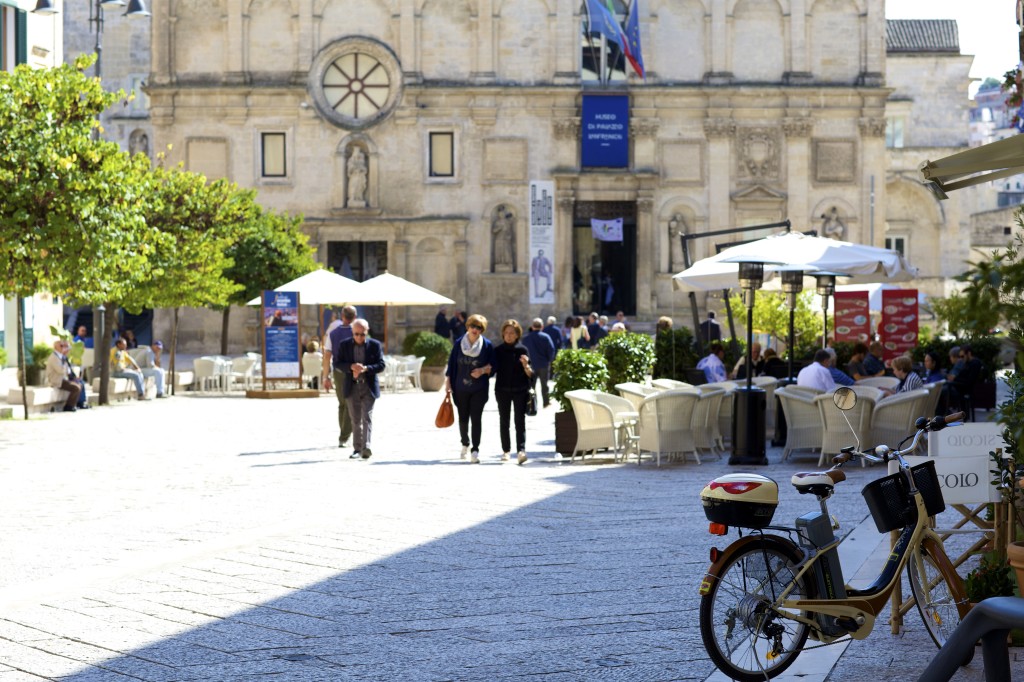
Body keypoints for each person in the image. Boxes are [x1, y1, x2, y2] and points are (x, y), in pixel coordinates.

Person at [445, 314, 495, 464]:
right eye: (473, 326)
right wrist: (448, 385)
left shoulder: (487, 345)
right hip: (460, 387)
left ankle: (475, 450)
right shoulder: (459, 343)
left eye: (479, 327)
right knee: (463, 418)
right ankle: (465, 443)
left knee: (476, 418)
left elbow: (493, 365)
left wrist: (482, 371)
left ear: (482, 330)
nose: (475, 329)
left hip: (479, 388)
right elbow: (452, 365)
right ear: (468, 327)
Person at [334, 318, 385, 460]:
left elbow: (381, 364)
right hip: (352, 385)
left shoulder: (375, 345)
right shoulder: (344, 345)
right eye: (356, 334)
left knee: (367, 417)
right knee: (355, 419)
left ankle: (366, 446)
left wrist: (367, 368)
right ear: (352, 332)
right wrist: (351, 367)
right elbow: (337, 363)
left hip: (368, 385)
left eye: (362, 334)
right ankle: (357, 449)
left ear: (367, 332)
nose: (359, 337)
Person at [493, 320, 533, 465]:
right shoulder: (497, 351)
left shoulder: (523, 350)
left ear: (517, 335)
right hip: (502, 390)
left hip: (520, 390)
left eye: (512, 333)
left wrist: (526, 365)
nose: (509, 336)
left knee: (519, 421)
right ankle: (506, 451)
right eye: (507, 333)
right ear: (503, 334)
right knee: (504, 421)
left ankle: (521, 451)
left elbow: (530, 374)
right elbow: (492, 371)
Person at [323, 305, 357, 447]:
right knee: (351, 404)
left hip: (338, 372)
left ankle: (343, 435)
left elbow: (327, 355)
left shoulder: (333, 333)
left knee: (342, 404)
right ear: (354, 317)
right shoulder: (358, 332)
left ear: (342, 317)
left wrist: (326, 376)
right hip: (354, 371)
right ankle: (344, 436)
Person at [521, 318, 555, 409]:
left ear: (532, 327)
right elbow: (551, 350)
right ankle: (546, 403)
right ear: (542, 326)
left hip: (531, 365)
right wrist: (549, 360)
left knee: (531, 386)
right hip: (543, 364)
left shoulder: (526, 338)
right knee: (544, 385)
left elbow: (522, 352)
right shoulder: (546, 337)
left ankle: (532, 404)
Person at [45, 340, 81, 412]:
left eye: (63, 346)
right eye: (61, 346)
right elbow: (60, 370)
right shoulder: (54, 357)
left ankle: (76, 404)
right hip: (56, 381)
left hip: (63, 379)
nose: (63, 347)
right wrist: (65, 363)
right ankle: (69, 406)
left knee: (79, 384)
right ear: (56, 347)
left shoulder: (61, 356)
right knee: (76, 388)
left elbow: (67, 370)